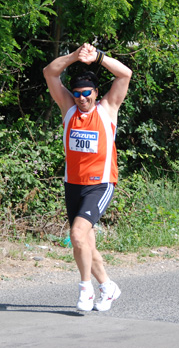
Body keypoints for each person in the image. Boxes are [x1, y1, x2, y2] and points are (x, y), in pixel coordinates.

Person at [43, 43, 132, 311]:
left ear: (95, 93)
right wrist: (74, 57)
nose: (82, 98)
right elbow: (49, 73)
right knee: (85, 242)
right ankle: (108, 286)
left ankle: (86, 289)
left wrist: (99, 58)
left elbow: (124, 75)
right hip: (73, 185)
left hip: (100, 184)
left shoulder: (107, 109)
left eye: (87, 93)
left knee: (77, 235)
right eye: (78, 93)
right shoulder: (68, 108)